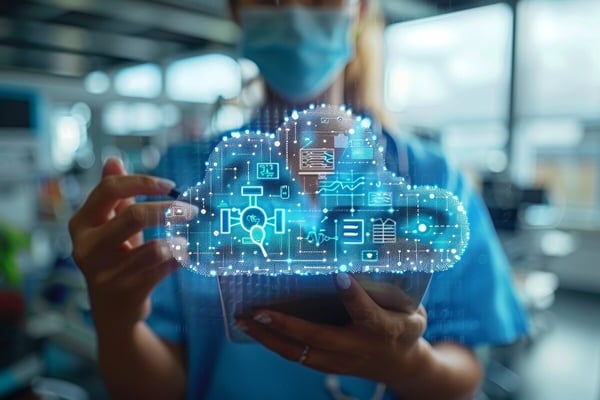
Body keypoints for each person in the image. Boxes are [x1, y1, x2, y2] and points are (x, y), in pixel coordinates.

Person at [68, 0, 529, 399]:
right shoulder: (181, 177)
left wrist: (408, 366)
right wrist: (116, 319)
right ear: (236, 10)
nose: (293, 15)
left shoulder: (432, 179)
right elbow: (154, 391)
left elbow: (465, 375)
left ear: (359, 8)